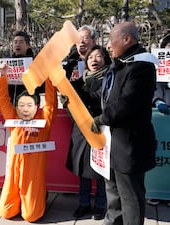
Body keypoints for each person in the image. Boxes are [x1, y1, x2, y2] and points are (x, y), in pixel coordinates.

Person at [91, 22, 157, 225]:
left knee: (130, 198)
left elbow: (126, 103)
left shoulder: (141, 66)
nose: (109, 46)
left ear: (127, 39)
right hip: (112, 142)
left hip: (130, 144)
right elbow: (104, 95)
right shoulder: (120, 63)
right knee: (113, 191)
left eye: (111, 41)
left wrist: (102, 118)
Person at [0, 62, 58, 222]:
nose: (25, 108)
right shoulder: (13, 117)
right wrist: (3, 76)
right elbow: (3, 101)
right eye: (22, 104)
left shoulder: (44, 120)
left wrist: (50, 78)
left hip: (33, 176)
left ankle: (40, 195)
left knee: (31, 216)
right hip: (14, 172)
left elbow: (51, 103)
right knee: (6, 212)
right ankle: (20, 200)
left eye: (29, 104)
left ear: (36, 106)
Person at [66, 45, 111, 220]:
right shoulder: (80, 81)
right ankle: (83, 203)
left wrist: (75, 94)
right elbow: (69, 99)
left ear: (105, 59)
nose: (94, 60)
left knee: (101, 169)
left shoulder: (110, 78)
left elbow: (98, 98)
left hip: (101, 129)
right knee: (83, 170)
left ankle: (101, 205)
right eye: (91, 57)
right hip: (81, 131)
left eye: (99, 56)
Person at [147, 34, 170, 207]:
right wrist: (158, 101)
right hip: (160, 116)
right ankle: (154, 190)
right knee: (158, 154)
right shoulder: (156, 68)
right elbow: (152, 88)